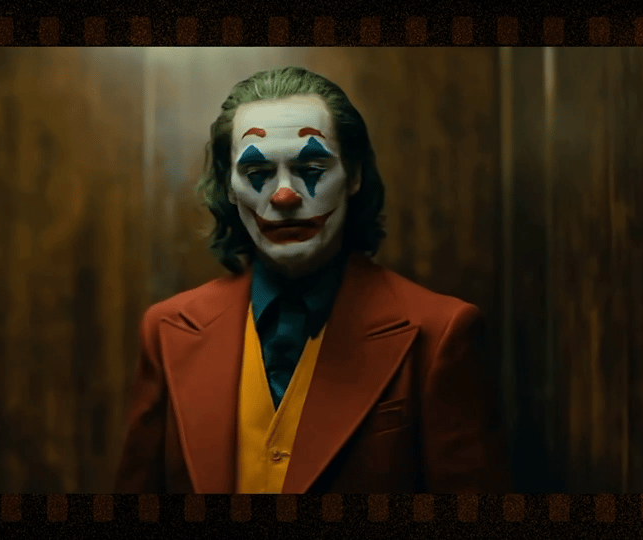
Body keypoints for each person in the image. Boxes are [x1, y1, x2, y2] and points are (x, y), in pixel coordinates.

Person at [114, 66, 511, 494]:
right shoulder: (167, 329)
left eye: (311, 165)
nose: (284, 196)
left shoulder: (439, 332)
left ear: (354, 176)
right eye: (256, 171)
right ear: (229, 187)